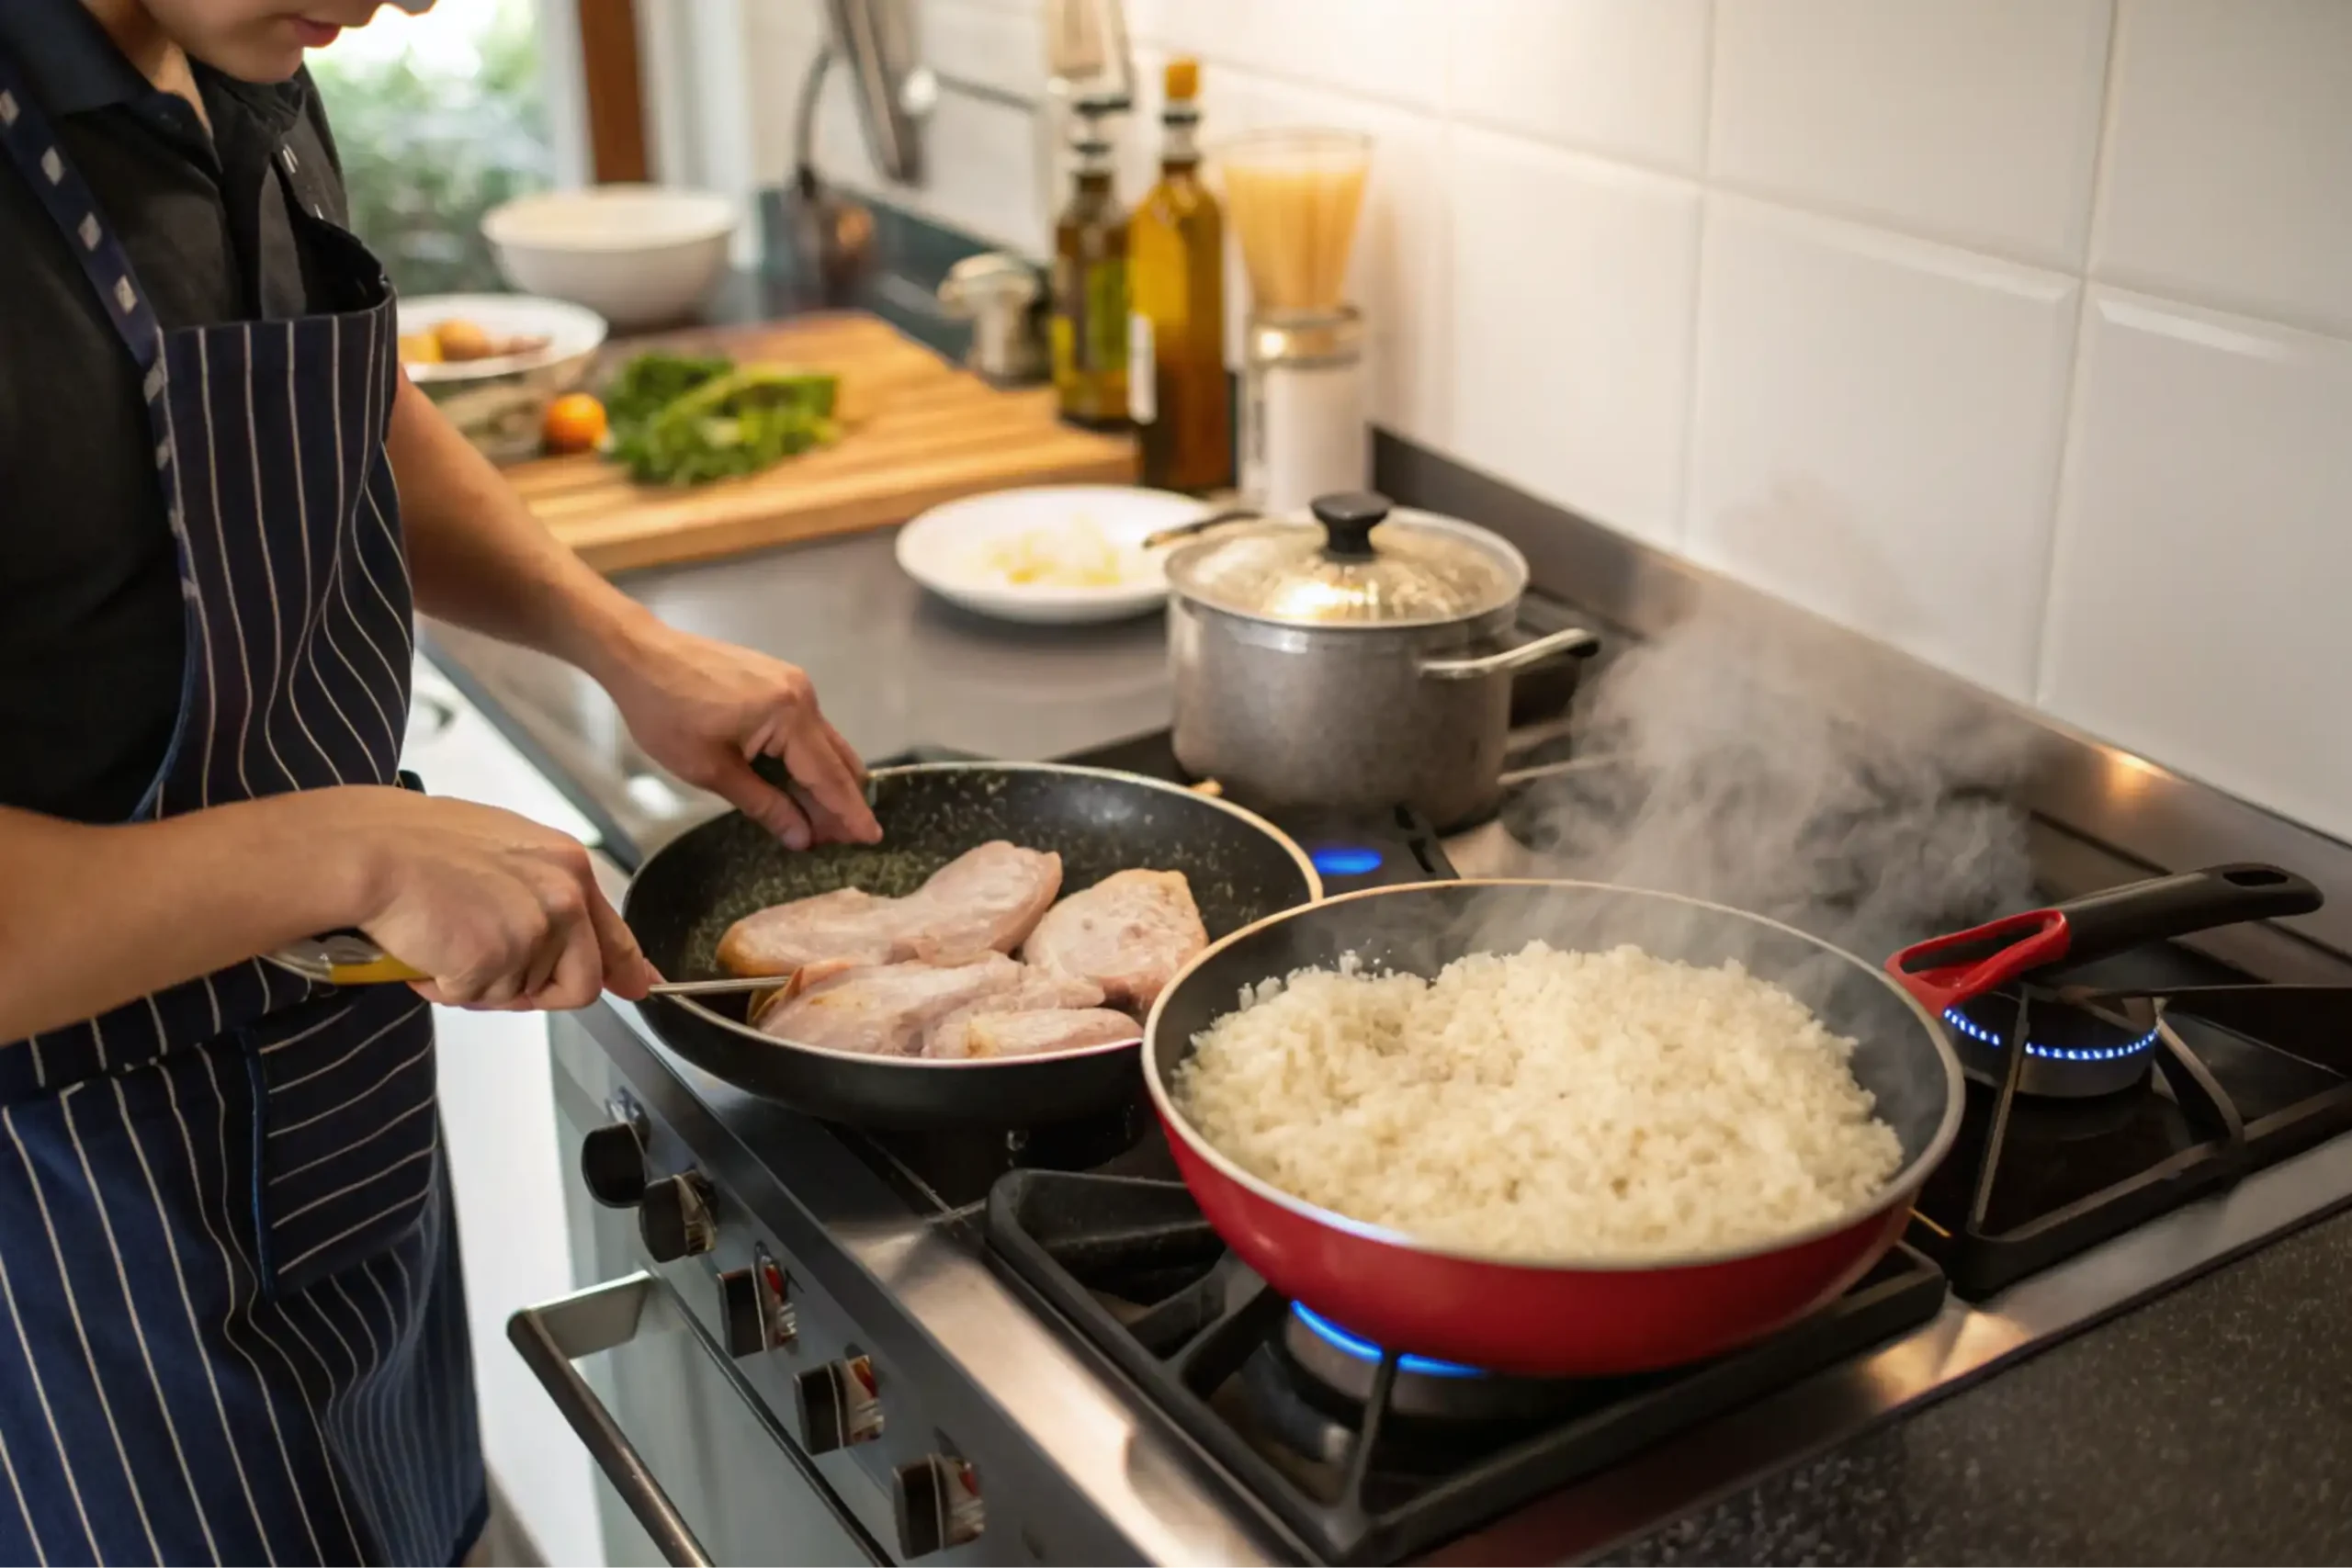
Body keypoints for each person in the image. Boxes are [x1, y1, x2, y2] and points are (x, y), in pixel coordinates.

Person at [0, 0, 884, 1562]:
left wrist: (617, 642)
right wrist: (349, 848)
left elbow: (333, 405)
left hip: (321, 1116)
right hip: (70, 1241)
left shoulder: (231, 44)